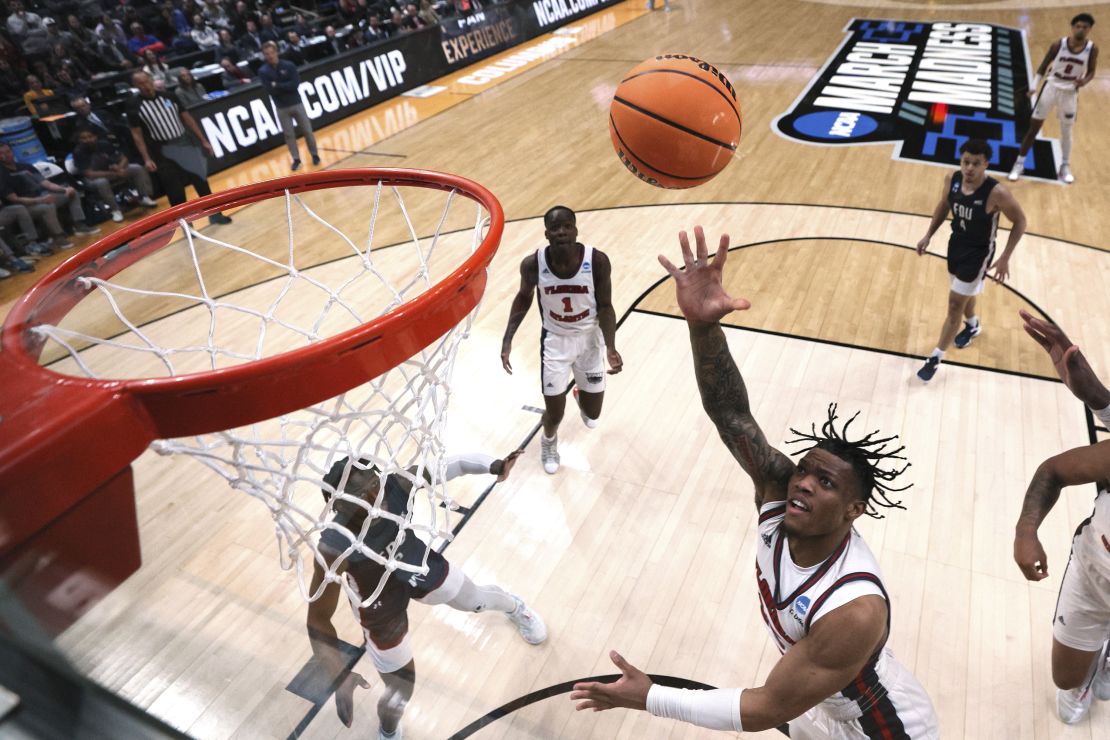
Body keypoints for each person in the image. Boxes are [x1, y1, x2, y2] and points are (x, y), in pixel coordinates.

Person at [569, 226, 939, 738]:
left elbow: (763, 710)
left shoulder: (854, 608)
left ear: (855, 510)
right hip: (821, 699)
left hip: (881, 726)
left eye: (825, 483)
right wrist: (701, 326)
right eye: (805, 469)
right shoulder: (779, 489)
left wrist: (650, 697)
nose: (803, 483)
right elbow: (731, 413)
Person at [306, 450, 546, 738]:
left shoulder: (395, 485)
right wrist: (338, 674)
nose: (373, 493)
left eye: (373, 482)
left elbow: (452, 465)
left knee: (476, 600)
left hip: (414, 562)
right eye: (360, 493)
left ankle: (515, 607)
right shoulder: (334, 546)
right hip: (378, 603)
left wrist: (492, 465)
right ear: (341, 507)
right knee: (399, 692)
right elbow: (318, 619)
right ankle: (389, 730)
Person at [1012, 310, 1110, 724]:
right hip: (1094, 576)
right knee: (1065, 679)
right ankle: (1086, 675)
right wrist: (1026, 530)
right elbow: (1053, 470)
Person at [501, 206, 622, 474]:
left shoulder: (597, 261)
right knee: (554, 413)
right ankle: (549, 442)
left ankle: (581, 393)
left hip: (590, 340)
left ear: (576, 230)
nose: (562, 232)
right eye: (555, 228)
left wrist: (611, 347)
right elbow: (523, 297)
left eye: (567, 226)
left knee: (592, 416)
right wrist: (508, 339)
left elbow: (605, 306)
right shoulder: (533, 264)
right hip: (555, 342)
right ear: (547, 234)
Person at [914, 139, 1026, 382]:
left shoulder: (997, 192)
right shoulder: (951, 179)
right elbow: (944, 205)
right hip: (956, 245)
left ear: (986, 163)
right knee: (963, 294)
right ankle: (973, 325)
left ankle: (935, 357)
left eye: (976, 163)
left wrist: (1005, 257)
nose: (969, 168)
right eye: (966, 162)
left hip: (979, 252)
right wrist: (928, 235)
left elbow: (1020, 221)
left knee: (954, 305)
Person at [126, 71, 232, 224]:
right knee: (174, 191)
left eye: (146, 81)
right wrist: (147, 158)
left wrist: (204, 140)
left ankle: (215, 215)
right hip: (162, 151)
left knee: (201, 182)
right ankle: (186, 226)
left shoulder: (169, 96)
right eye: (140, 83)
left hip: (184, 143)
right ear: (136, 86)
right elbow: (137, 134)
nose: (145, 85)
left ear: (151, 79)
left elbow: (187, 118)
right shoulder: (134, 105)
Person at [1010, 14, 1098, 184]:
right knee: (1033, 128)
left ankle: (1065, 166)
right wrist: (1034, 85)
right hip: (1051, 87)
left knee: (1066, 131)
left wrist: (1084, 81)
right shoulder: (1059, 44)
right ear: (1072, 27)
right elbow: (1043, 66)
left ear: (1089, 29)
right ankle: (1019, 164)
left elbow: (1092, 71)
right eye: (1078, 26)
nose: (1081, 29)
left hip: (1070, 92)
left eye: (1085, 27)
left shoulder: (1092, 49)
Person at [0, 142, 96, 247]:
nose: (7, 155)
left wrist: (64, 189)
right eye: (2, 153)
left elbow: (47, 184)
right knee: (47, 206)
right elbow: (14, 199)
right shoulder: (2, 174)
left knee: (72, 193)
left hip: (41, 197)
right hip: (25, 206)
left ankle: (79, 225)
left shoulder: (25, 166)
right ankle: (58, 237)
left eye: (8, 151)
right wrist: (41, 200)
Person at [72, 126, 157, 222]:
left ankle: (144, 196)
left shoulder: (104, 144)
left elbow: (124, 158)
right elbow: (89, 174)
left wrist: (120, 168)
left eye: (90, 136)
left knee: (136, 168)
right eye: (83, 138)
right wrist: (113, 173)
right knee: (102, 182)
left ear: (95, 136)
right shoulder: (78, 152)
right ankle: (115, 209)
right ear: (79, 140)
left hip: (113, 171)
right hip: (94, 178)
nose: (87, 140)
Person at [258, 41, 318, 171]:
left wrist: (278, 85)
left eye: (272, 53)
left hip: (296, 103)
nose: (270, 56)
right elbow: (270, 90)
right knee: (289, 135)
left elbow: (295, 84)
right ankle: (296, 159)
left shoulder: (289, 65)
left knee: (307, 131)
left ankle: (314, 154)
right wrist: (283, 85)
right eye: (267, 54)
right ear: (264, 55)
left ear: (276, 52)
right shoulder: (263, 71)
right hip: (281, 107)